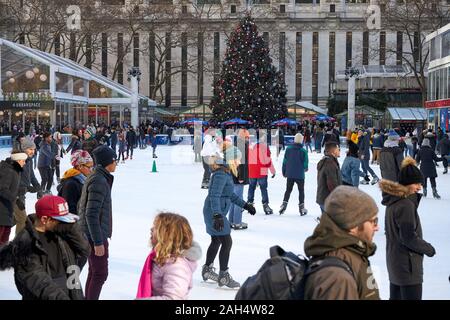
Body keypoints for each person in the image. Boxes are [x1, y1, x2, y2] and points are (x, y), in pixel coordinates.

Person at [0, 195, 90, 300]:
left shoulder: (60, 232)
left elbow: (84, 251)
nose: (64, 224)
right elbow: (39, 282)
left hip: (72, 292)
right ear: (44, 219)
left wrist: (71, 227)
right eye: (61, 220)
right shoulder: (25, 244)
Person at [303, 186, 380, 300]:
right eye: (373, 221)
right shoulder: (337, 278)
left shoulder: (354, 255)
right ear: (353, 226)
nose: (377, 227)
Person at [379, 157, 436, 300]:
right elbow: (408, 237)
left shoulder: (393, 201)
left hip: (395, 264)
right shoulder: (405, 205)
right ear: (407, 183)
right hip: (407, 267)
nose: (419, 187)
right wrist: (429, 249)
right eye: (416, 183)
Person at [201, 145, 256, 289]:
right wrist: (218, 215)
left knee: (217, 241)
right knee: (226, 241)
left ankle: (207, 270)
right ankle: (224, 276)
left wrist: (245, 205)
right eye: (237, 159)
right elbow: (214, 195)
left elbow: (229, 195)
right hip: (214, 212)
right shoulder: (220, 174)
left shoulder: (226, 172)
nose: (239, 162)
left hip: (214, 211)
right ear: (231, 159)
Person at [78, 145, 117, 300]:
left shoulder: (98, 177)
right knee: (100, 273)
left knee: (95, 272)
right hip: (94, 234)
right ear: (107, 162)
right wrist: (98, 241)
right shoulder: (99, 181)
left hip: (92, 233)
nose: (116, 163)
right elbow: (91, 213)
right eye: (114, 160)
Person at [136, 213, 202, 300]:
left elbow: (173, 298)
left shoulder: (177, 265)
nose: (151, 229)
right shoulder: (162, 257)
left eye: (156, 227)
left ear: (168, 234)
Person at [15, 138, 43, 235]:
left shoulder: (29, 161)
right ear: (24, 149)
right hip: (15, 195)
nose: (33, 151)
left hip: (22, 195)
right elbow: (13, 179)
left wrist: (38, 187)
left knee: (16, 220)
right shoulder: (18, 160)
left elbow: (31, 176)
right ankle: (17, 244)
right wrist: (25, 188)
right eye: (30, 149)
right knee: (21, 220)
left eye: (34, 149)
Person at [0, 151, 27, 245]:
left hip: (7, 209)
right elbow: (2, 188)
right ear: (18, 160)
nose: (25, 163)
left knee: (4, 240)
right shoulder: (9, 170)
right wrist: (15, 199)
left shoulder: (15, 170)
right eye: (23, 161)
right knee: (2, 239)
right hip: (2, 210)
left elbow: (13, 186)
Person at [279, 133, 308, 215]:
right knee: (301, 191)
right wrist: (305, 168)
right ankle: (302, 208)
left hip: (290, 174)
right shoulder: (303, 151)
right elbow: (306, 163)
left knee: (288, 190)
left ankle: (284, 205)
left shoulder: (288, 149)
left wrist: (284, 171)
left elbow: (285, 161)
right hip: (300, 175)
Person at [58, 150, 94, 215]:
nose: (92, 170)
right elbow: (70, 211)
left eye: (92, 167)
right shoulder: (71, 184)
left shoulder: (84, 180)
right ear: (80, 166)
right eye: (89, 167)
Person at [247, 132, 276, 215]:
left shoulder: (250, 146)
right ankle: (265, 205)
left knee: (251, 187)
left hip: (252, 170)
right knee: (263, 188)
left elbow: (248, 159)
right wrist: (272, 171)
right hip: (262, 171)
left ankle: (249, 203)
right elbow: (268, 160)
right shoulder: (264, 147)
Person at [228, 130, 250, 230]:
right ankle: (237, 222)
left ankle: (231, 220)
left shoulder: (235, 145)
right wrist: (241, 177)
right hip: (238, 177)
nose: (248, 139)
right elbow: (240, 163)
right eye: (247, 137)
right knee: (238, 200)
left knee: (233, 199)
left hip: (233, 176)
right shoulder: (241, 146)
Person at [316, 141, 342, 214]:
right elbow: (332, 183)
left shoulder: (329, 161)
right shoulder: (330, 163)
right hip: (328, 200)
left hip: (324, 198)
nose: (339, 151)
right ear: (333, 151)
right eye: (338, 149)